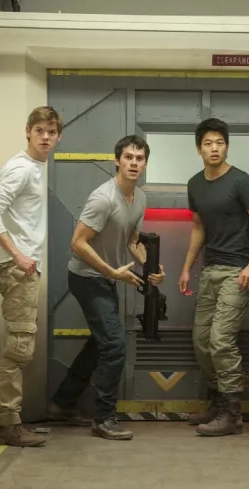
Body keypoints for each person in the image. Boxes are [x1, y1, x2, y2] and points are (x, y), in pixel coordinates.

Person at [50, 135, 165, 441]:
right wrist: (110, 271)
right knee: (114, 345)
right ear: (117, 161)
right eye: (128, 157)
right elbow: (78, 243)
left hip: (106, 277)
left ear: (145, 163)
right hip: (86, 278)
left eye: (139, 158)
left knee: (100, 343)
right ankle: (104, 418)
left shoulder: (139, 199)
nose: (134, 163)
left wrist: (151, 268)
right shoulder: (103, 198)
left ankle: (62, 402)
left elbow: (132, 242)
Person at [178, 118, 249, 437]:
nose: (214, 148)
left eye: (219, 143)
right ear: (199, 149)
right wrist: (187, 267)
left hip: (237, 271)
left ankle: (232, 414)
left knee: (220, 341)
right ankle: (217, 403)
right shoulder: (195, 184)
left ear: (227, 147)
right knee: (201, 342)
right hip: (210, 270)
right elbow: (198, 227)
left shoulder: (241, 181)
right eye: (208, 143)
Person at [0, 106, 62, 447]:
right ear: (28, 131)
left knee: (20, 344)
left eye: (51, 132)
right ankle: (8, 424)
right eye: (39, 130)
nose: (45, 137)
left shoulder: (36, 167)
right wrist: (18, 255)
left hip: (22, 266)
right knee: (19, 347)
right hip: (17, 267)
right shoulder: (21, 168)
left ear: (58, 137)